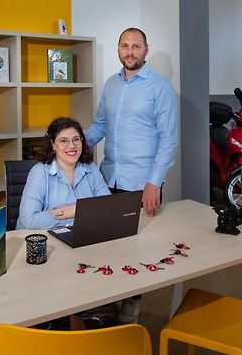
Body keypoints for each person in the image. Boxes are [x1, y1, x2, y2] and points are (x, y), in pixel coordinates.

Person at [86, 27, 178, 323]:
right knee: (108, 243)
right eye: (124, 46)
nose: (130, 51)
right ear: (118, 50)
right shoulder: (111, 85)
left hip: (142, 182)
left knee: (137, 247)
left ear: (146, 50)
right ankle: (110, 297)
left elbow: (168, 139)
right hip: (108, 176)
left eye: (136, 46)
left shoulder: (159, 87)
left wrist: (154, 182)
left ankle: (132, 305)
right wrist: (71, 143)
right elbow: (100, 125)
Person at [16, 116, 110, 229]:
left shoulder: (91, 168)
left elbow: (107, 206)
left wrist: (75, 210)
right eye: (63, 141)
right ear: (53, 144)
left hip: (82, 234)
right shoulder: (40, 172)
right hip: (40, 239)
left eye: (76, 139)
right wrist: (80, 214)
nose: (71, 146)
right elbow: (29, 220)